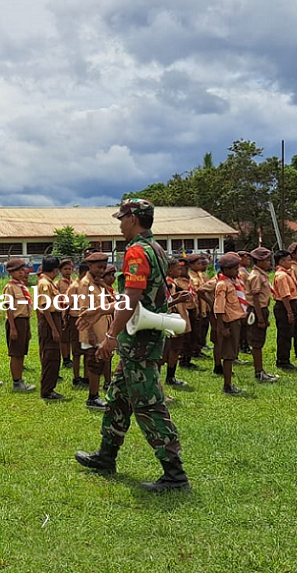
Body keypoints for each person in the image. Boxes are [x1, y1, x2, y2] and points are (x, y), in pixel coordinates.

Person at [75, 199, 190, 492]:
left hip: (139, 340)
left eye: (122, 218)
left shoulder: (137, 251)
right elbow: (145, 296)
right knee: (117, 398)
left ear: (133, 219)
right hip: (140, 338)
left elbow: (133, 297)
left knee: (149, 405)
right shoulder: (157, 249)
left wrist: (110, 335)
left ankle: (175, 474)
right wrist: (101, 309)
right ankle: (106, 456)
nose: (119, 224)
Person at [74, 252, 113, 409]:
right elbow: (84, 309)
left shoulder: (98, 283)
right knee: (94, 364)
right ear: (90, 266)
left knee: (100, 362)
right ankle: (93, 397)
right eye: (99, 267)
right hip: (92, 331)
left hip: (102, 329)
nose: (101, 270)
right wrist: (90, 333)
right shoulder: (85, 284)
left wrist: (103, 285)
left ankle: (95, 395)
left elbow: (110, 302)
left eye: (104, 267)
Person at [214, 253, 248, 395]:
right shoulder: (222, 285)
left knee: (232, 353)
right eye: (234, 269)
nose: (237, 271)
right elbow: (219, 307)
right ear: (226, 269)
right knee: (228, 355)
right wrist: (222, 327)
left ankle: (229, 384)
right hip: (228, 322)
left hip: (235, 320)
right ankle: (227, 386)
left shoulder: (233, 282)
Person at [246, 247, 279, 383]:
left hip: (261, 309)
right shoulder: (256, 276)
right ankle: (259, 372)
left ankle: (260, 371)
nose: (269, 263)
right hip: (256, 310)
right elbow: (255, 298)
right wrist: (260, 318)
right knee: (257, 343)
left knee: (259, 341)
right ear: (258, 261)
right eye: (266, 260)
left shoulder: (261, 274)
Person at [35, 255, 65, 400]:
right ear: (55, 270)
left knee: (54, 355)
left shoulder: (48, 282)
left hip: (54, 319)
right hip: (50, 320)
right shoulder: (45, 284)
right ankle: (47, 390)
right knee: (50, 356)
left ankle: (50, 388)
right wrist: (53, 328)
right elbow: (45, 307)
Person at [3, 258, 35, 392]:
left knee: (21, 352)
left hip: (24, 321)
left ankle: (20, 379)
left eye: (22, 270)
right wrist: (13, 328)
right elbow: (9, 308)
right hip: (16, 321)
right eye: (18, 271)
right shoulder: (10, 287)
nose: (21, 273)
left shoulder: (22, 286)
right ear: (11, 272)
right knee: (16, 353)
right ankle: (16, 382)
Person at [161, 256, 192, 389]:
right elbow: (164, 304)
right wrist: (178, 300)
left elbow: (169, 299)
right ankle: (168, 377)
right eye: (177, 268)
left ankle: (171, 375)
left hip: (176, 319)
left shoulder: (171, 284)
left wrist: (177, 296)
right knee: (170, 350)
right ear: (169, 270)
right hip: (169, 320)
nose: (180, 271)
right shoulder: (165, 284)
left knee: (175, 349)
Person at [272, 250, 297, 371]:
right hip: (284, 306)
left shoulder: (287, 273)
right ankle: (283, 360)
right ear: (282, 262)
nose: (291, 262)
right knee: (284, 334)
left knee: (288, 333)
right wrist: (289, 312)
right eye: (288, 260)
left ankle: (285, 358)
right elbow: (285, 296)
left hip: (289, 304)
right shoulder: (282, 276)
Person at [66, 261, 89, 387]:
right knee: (76, 350)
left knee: (86, 348)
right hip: (75, 318)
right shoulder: (74, 286)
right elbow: (67, 305)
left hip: (85, 319)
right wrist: (66, 321)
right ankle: (76, 377)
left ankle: (86, 376)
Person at [186, 255, 210, 360]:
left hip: (205, 306)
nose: (200, 265)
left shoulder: (200, 275)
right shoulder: (192, 277)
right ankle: (195, 350)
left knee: (203, 328)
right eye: (198, 264)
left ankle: (200, 347)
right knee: (197, 331)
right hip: (198, 306)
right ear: (191, 265)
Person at [57, 259, 75, 370]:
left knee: (72, 337)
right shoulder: (58, 284)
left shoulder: (74, 283)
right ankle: (66, 358)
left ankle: (72, 356)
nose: (68, 271)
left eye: (70, 269)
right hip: (63, 311)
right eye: (65, 269)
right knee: (64, 338)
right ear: (60, 270)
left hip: (73, 311)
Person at [237, 251, 253, 354]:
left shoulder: (245, 271)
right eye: (246, 258)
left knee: (247, 324)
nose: (248, 260)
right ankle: (243, 345)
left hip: (248, 300)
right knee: (244, 325)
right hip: (245, 300)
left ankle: (244, 343)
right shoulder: (241, 273)